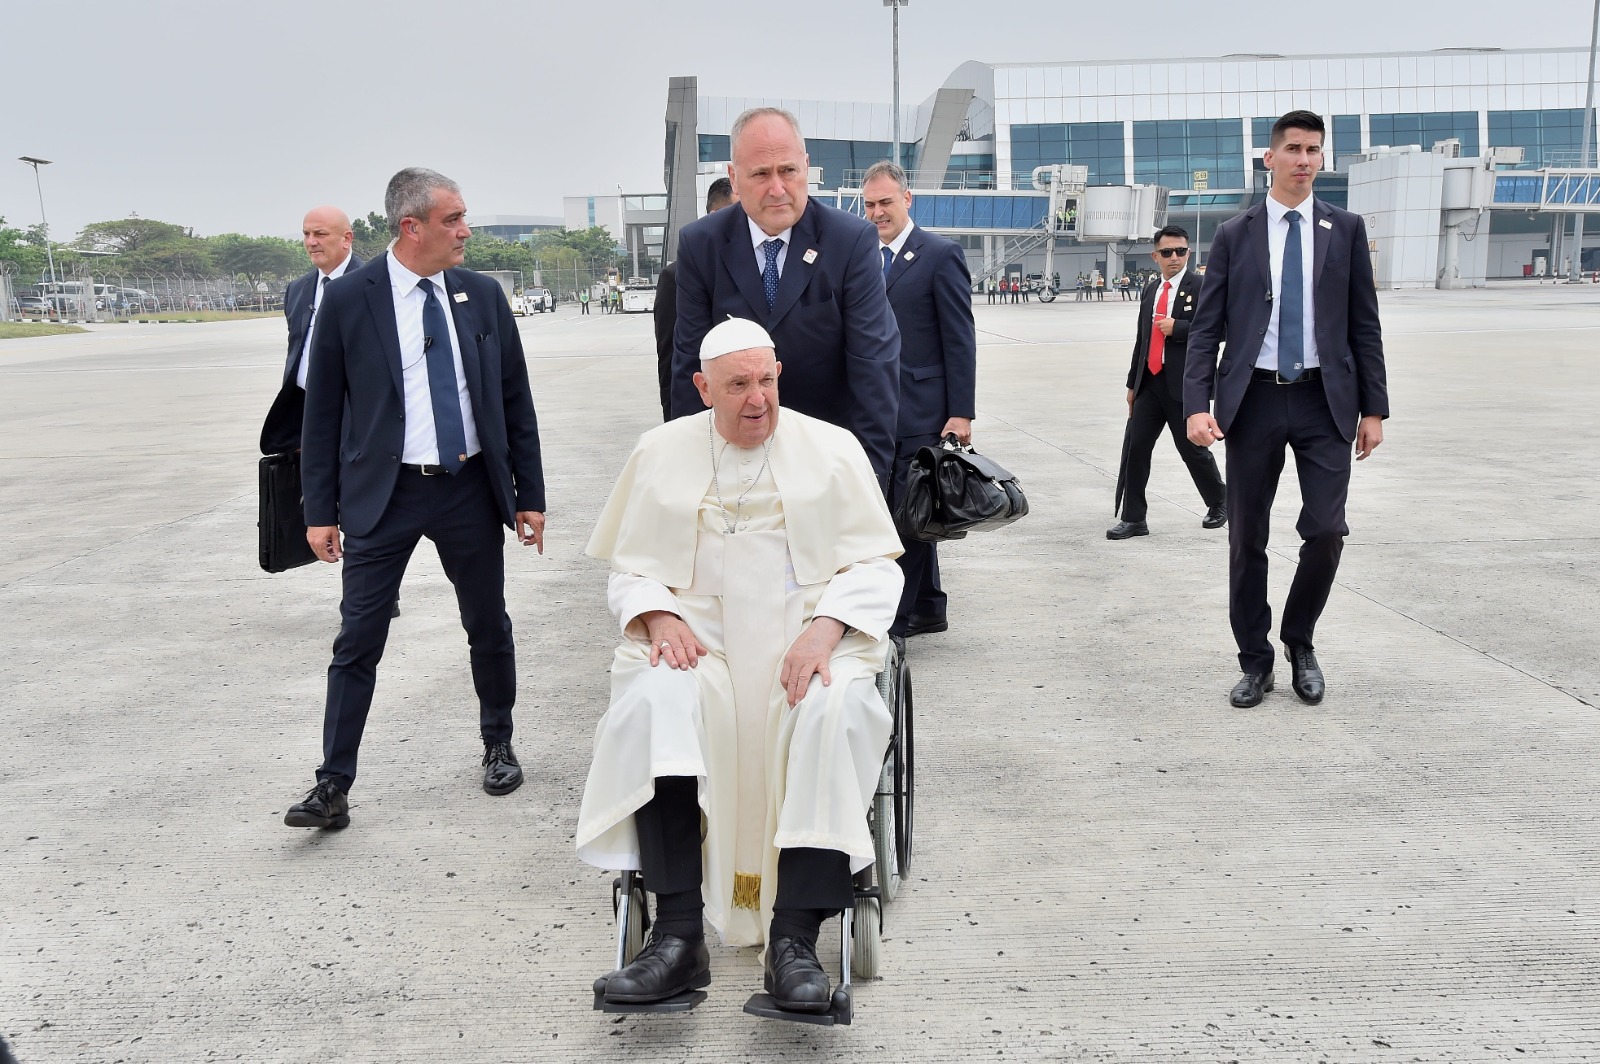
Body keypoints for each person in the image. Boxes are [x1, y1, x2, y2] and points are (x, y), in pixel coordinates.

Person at [578, 318, 903, 1014]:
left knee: (833, 708)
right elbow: (630, 569)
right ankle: (676, 938)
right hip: (704, 645)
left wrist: (827, 627)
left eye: (767, 380)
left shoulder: (832, 448)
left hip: (810, 640)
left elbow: (876, 562)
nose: (758, 399)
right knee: (655, 703)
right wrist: (658, 615)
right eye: (738, 385)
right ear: (703, 388)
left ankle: (794, 943)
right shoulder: (660, 451)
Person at [284, 168, 548, 829]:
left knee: (488, 625)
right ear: (413, 227)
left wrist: (528, 494)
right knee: (357, 641)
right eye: (453, 220)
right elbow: (320, 418)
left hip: (467, 490)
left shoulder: (482, 296)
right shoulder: (350, 302)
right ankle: (332, 785)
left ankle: (498, 742)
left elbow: (514, 400)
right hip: (384, 495)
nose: (465, 231)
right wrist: (319, 511)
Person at [1184, 110, 1389, 709]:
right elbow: (1205, 331)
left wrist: (1374, 409)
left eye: (1315, 151)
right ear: (1269, 158)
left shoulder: (1344, 228)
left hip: (1327, 401)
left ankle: (1299, 640)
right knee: (1247, 536)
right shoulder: (1234, 234)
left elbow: (1364, 325)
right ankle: (1255, 660)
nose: (1305, 160)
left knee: (1326, 530)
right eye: (1294, 149)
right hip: (1255, 401)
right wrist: (1198, 404)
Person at [668, 108, 901, 485]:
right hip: (734, 460)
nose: (777, 188)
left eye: (788, 171)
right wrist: (693, 472)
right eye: (760, 174)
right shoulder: (700, 245)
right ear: (735, 178)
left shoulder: (850, 242)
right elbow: (689, 370)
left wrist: (868, 477)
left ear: (806, 167)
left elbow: (874, 366)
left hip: (828, 456)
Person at [862, 161, 977, 638]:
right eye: (869, 205)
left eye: (885, 202)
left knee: (902, 515)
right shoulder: (863, 256)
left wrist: (960, 411)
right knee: (915, 507)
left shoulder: (939, 254)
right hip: (878, 408)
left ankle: (897, 618)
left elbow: (960, 337)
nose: (876, 213)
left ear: (907, 200)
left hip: (923, 408)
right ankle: (930, 605)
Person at [1108, 225, 1226, 541]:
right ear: (1155, 255)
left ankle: (1219, 501)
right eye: (1167, 252)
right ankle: (1134, 519)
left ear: (1188, 252)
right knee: (1137, 450)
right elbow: (1142, 340)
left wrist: (1181, 328)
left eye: (1181, 251)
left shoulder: (1202, 286)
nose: (1174, 258)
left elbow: (1222, 330)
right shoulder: (1151, 290)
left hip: (1183, 385)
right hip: (1150, 383)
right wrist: (1133, 385)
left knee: (1192, 450)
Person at [655, 178, 735, 421]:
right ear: (715, 215)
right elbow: (671, 365)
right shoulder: (675, 277)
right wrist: (674, 426)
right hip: (706, 417)